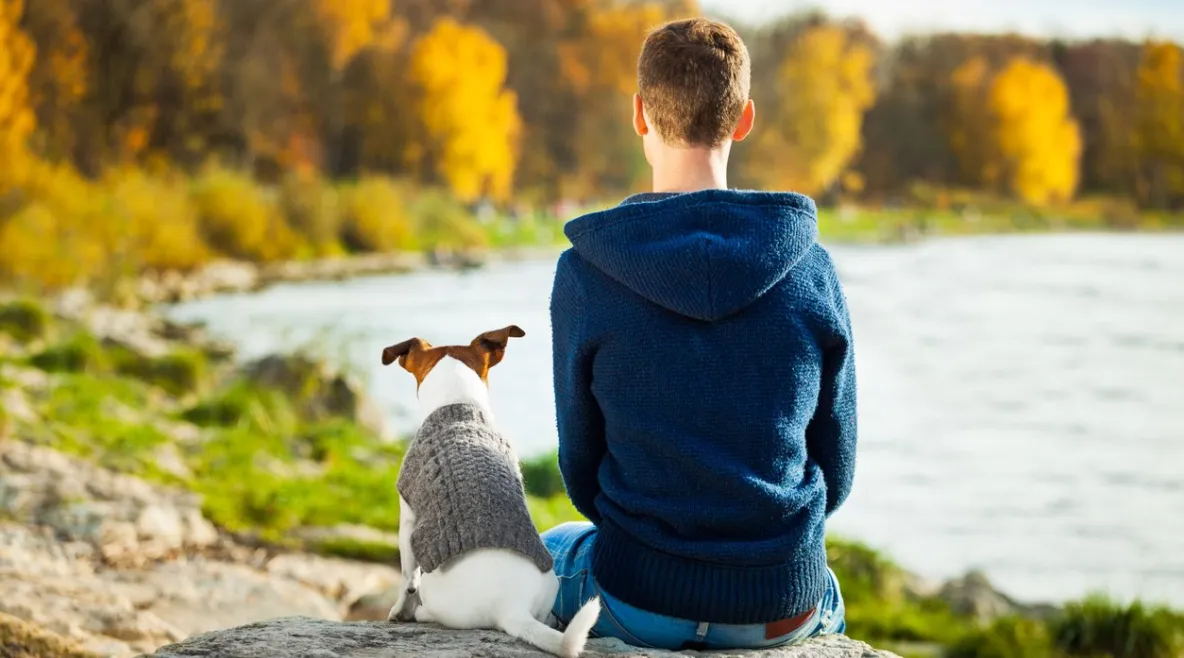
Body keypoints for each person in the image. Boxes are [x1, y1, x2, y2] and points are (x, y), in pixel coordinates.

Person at [543, 16, 858, 651]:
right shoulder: (811, 267)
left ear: (639, 115)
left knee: (551, 545)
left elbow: (581, 471)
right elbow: (838, 467)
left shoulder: (585, 273)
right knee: (827, 590)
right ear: (743, 118)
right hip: (780, 606)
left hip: (640, 597)